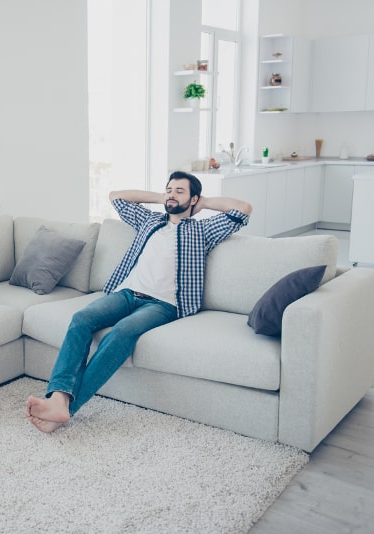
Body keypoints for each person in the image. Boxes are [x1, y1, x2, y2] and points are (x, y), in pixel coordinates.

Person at [25, 171, 252, 433]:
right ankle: (59, 399)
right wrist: (162, 198)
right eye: (169, 189)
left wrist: (204, 203)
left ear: (193, 199)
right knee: (81, 319)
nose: (171, 194)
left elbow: (243, 210)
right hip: (126, 294)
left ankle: (68, 408)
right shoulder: (150, 220)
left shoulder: (202, 230)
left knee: (121, 332)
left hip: (162, 305)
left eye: (179, 191)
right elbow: (116, 197)